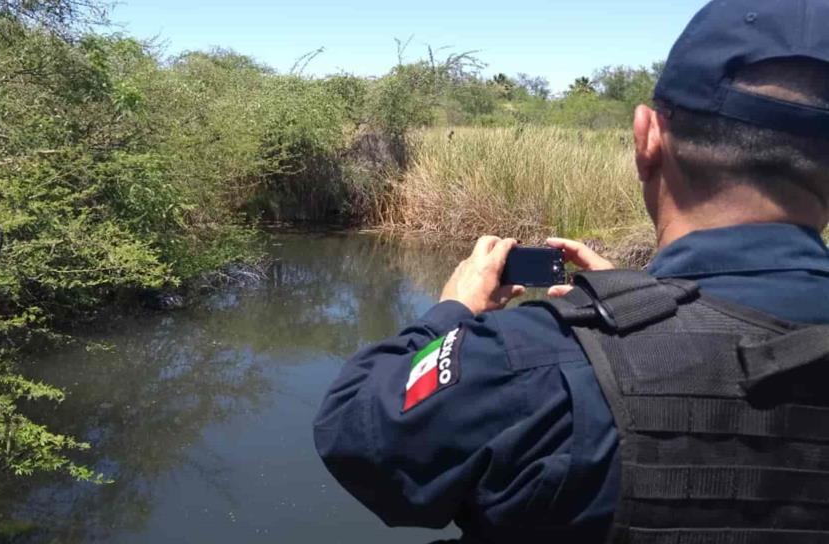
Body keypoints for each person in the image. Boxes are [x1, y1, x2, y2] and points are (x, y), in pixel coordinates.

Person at [313, 1, 829, 542]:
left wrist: (452, 313)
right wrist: (654, 296)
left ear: (646, 139)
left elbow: (355, 430)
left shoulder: (528, 365)